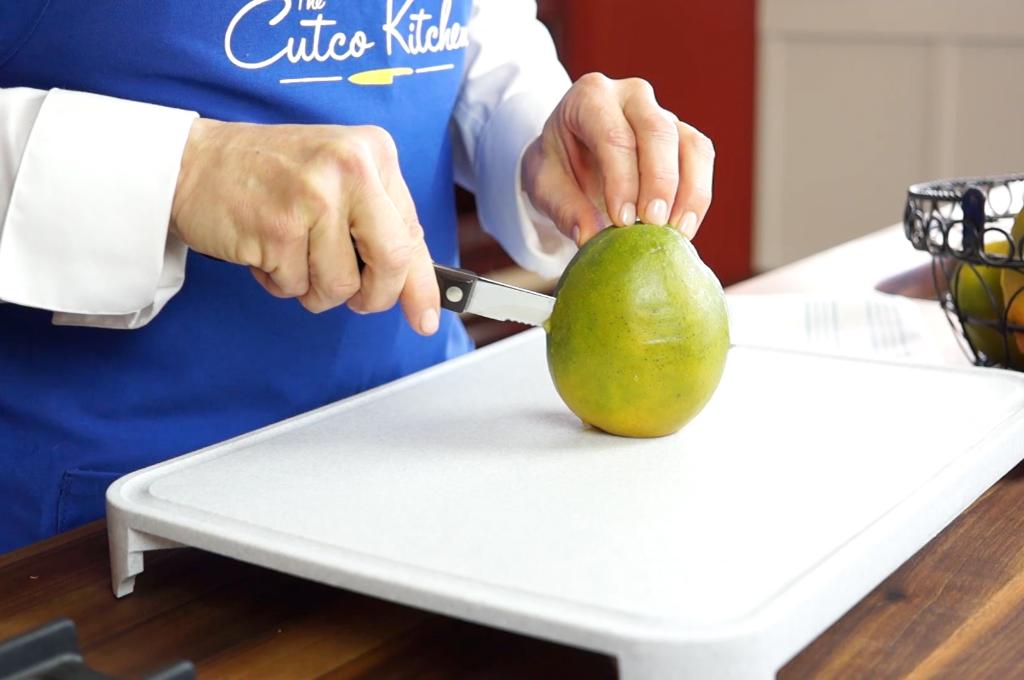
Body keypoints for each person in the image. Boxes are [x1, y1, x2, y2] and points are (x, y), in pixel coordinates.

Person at [0, 1, 715, 553]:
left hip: (422, 450)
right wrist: (182, 170)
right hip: (106, 508)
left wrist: (536, 131)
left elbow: (473, 32)